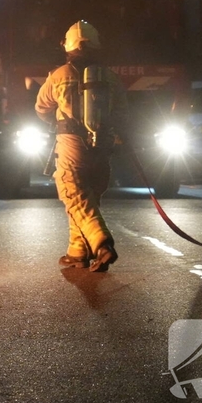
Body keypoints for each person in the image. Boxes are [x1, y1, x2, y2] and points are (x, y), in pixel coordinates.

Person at [35, 21, 129, 272]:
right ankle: (77, 252)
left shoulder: (59, 75)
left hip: (71, 144)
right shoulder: (110, 76)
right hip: (102, 146)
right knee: (87, 198)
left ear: (67, 46)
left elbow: (41, 108)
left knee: (73, 193)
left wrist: (59, 119)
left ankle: (102, 245)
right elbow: (122, 110)